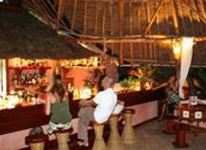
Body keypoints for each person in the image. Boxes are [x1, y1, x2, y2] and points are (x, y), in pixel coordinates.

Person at [77, 76, 118, 147]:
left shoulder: (102, 94)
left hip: (98, 117)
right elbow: (94, 103)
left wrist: (82, 102)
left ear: (106, 83)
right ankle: (85, 139)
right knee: (84, 116)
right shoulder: (114, 95)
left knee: (83, 110)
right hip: (106, 118)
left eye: (103, 81)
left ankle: (84, 140)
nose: (101, 82)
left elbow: (89, 103)